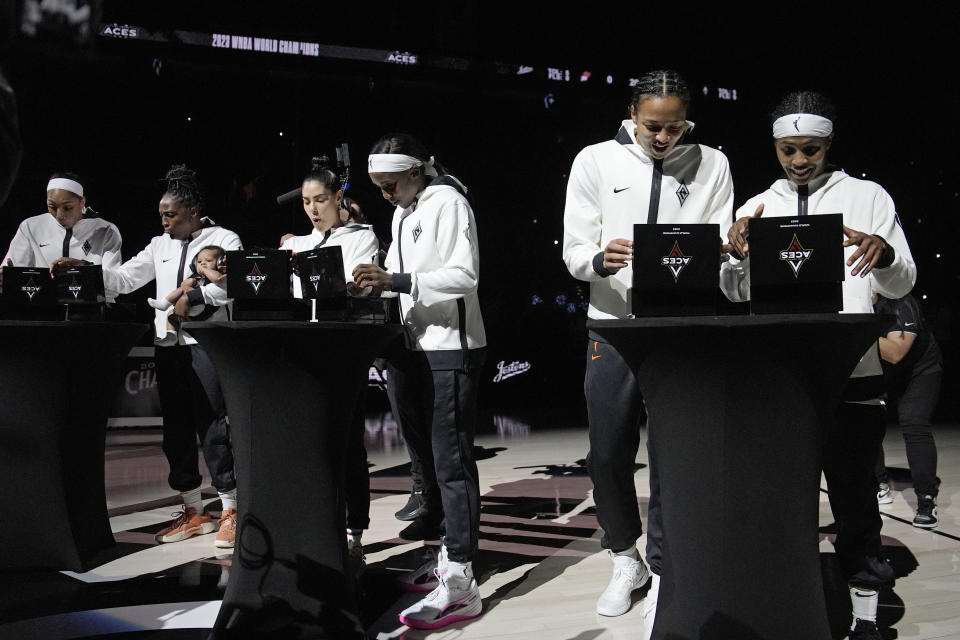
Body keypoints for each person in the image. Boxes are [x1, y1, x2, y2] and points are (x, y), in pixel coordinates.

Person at [722, 91, 916, 640]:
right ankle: (786, 605)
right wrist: (733, 256)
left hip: (853, 371)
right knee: (781, 501)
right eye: (788, 149)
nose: (799, 160)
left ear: (829, 144)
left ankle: (866, 615)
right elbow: (735, 293)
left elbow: (901, 283)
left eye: (810, 149)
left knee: (855, 499)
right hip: (780, 378)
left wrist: (887, 252)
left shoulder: (867, 196)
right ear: (775, 146)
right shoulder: (757, 204)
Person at [561, 69, 733, 635]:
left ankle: (662, 567)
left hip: (681, 326)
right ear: (632, 114)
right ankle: (624, 557)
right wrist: (598, 260)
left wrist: (732, 256)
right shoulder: (594, 161)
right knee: (607, 452)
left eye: (675, 127)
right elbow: (575, 247)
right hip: (611, 323)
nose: (663, 139)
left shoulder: (713, 163)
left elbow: (722, 245)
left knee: (672, 453)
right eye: (652, 127)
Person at [56, 165, 242, 548]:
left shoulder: (224, 238)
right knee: (175, 432)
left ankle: (231, 509)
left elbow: (230, 288)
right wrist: (85, 271)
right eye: (161, 215)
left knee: (213, 428)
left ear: (191, 210)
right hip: (167, 345)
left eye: (169, 215)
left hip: (205, 345)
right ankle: (193, 511)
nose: (163, 222)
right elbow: (124, 280)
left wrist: (193, 300)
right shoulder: (160, 244)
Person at [353, 133, 486, 630]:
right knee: (429, 459)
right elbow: (405, 270)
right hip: (415, 346)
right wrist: (377, 274)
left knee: (452, 461)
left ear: (414, 172)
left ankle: (462, 578)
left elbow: (464, 276)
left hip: (453, 345)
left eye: (390, 185)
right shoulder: (403, 212)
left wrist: (398, 281)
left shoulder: (449, 202)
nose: (385, 195)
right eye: (380, 188)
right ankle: (451, 555)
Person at [280, 155, 380, 571]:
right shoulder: (296, 244)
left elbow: (355, 286)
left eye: (319, 199)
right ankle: (314, 528)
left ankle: (354, 532)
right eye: (305, 202)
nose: (313, 209)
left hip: (343, 353)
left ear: (339, 197)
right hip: (303, 354)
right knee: (309, 446)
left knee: (347, 448)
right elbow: (290, 292)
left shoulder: (362, 238)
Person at [873, 292, 942, 528]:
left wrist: (854, 330)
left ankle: (926, 499)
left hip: (920, 367)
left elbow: (895, 352)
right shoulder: (849, 302)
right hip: (883, 369)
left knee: (914, 421)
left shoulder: (899, 302)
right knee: (867, 419)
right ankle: (879, 484)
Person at [3, 172, 122, 300]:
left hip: (92, 314)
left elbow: (114, 288)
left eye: (67, 207)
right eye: (52, 207)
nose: (59, 215)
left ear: (82, 202)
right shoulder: (31, 227)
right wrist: (6, 279)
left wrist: (83, 268)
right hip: (43, 312)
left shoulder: (106, 231)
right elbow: (11, 273)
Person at [148, 245, 226, 334]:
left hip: (202, 307)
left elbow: (217, 279)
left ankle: (174, 305)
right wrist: (186, 285)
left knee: (188, 287)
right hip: (190, 307)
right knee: (170, 313)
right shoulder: (197, 276)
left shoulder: (217, 274)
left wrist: (204, 270)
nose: (203, 264)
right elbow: (183, 285)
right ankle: (165, 307)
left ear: (219, 263)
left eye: (208, 261)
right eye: (199, 261)